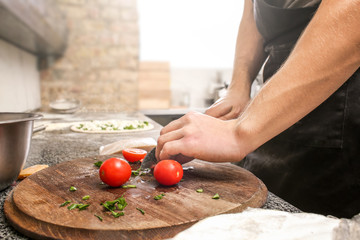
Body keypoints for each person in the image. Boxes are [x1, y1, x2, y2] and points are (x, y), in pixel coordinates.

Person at [155, 0, 360, 218]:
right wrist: (238, 87)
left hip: (340, 115)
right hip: (270, 112)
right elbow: (253, 12)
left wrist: (238, 133)